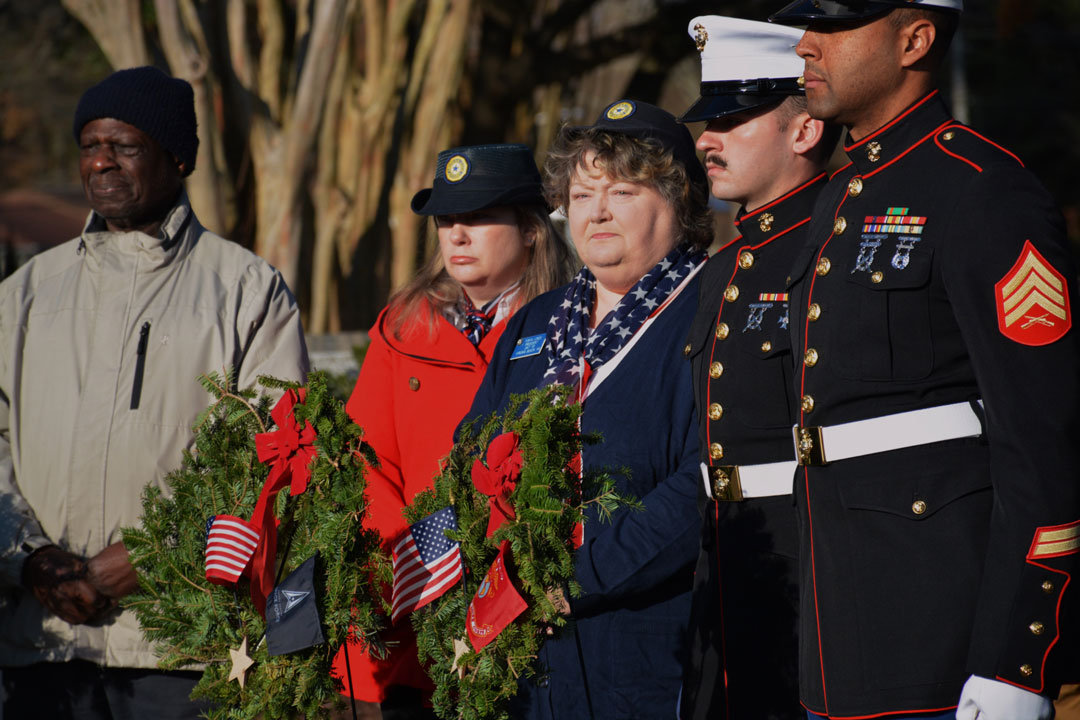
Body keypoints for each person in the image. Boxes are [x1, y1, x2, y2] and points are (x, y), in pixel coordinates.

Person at [765, 1, 1080, 718]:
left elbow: (1045, 447)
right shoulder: (841, 195)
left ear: (915, 39)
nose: (807, 45)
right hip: (840, 646)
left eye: (836, 26)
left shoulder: (981, 189)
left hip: (947, 652)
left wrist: (1017, 663)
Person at [0, 66, 309, 719]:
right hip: (43, 646)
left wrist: (152, 553)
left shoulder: (246, 290)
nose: (103, 161)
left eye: (126, 145)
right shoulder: (26, 294)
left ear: (179, 158)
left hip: (179, 651)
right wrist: (30, 559)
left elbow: (276, 453)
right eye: (90, 145)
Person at [461, 100, 712, 719]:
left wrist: (575, 579)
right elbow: (471, 449)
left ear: (678, 199)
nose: (596, 211)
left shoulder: (712, 310)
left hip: (652, 643)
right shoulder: (538, 323)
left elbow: (704, 483)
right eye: (580, 194)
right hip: (527, 651)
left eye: (622, 191)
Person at [330, 143, 576, 718]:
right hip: (412, 609)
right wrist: (418, 555)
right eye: (446, 220)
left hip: (524, 616)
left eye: (479, 216)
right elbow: (361, 458)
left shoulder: (575, 325)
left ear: (532, 229)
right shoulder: (403, 324)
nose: (457, 235)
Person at [676, 15, 839, 720]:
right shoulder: (721, 270)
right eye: (707, 120)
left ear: (803, 131)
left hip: (814, 574)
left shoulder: (832, 246)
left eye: (735, 119)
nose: (706, 140)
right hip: (728, 567)